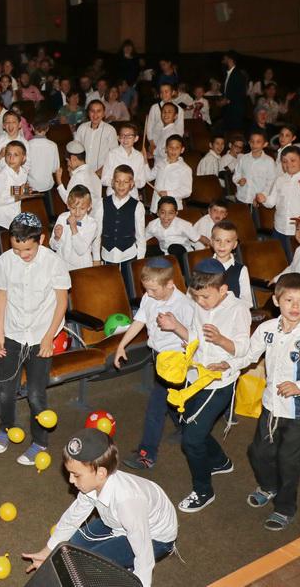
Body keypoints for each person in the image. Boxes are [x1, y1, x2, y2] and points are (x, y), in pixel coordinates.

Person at [215, 273, 300, 530]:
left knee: (289, 462)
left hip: (299, 414)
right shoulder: (266, 329)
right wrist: (228, 364)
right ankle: (268, 486)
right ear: (277, 301)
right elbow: (249, 355)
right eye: (289, 300)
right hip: (271, 407)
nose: (295, 306)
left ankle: (285, 508)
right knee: (258, 452)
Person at [22, 429, 177, 587]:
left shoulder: (127, 502)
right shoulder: (92, 485)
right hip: (117, 521)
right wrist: (48, 550)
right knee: (73, 548)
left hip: (155, 537)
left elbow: (144, 556)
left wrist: (139, 583)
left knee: (90, 565)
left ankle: (124, 572)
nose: (71, 480)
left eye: (76, 475)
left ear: (101, 473)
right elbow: (73, 518)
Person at [157, 259, 251, 512]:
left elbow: (244, 348)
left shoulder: (238, 310)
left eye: (205, 297)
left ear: (223, 290)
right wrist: (176, 327)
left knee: (191, 440)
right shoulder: (201, 303)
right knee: (185, 421)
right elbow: (196, 338)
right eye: (196, 296)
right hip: (194, 378)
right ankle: (220, 461)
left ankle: (203, 491)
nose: (200, 302)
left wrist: (221, 340)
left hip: (218, 382)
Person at [0, 212, 70, 465]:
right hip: (13, 333)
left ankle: (40, 442)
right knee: (6, 391)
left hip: (40, 336)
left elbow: (62, 302)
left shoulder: (53, 262)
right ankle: (5, 429)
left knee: (35, 394)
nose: (22, 254)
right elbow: (2, 296)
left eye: (27, 250)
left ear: (41, 240)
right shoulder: (6, 260)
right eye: (16, 249)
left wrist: (48, 337)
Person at [115, 258, 194, 470]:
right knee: (174, 400)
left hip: (176, 360)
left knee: (155, 407)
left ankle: (147, 454)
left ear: (170, 284)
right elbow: (139, 321)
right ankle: (187, 428)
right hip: (158, 357)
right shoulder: (149, 298)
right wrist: (122, 344)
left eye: (153, 290)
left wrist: (178, 330)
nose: (148, 294)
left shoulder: (183, 304)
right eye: (146, 289)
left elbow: (193, 337)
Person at [255, 146, 300, 251]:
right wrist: (264, 199)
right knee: (278, 256)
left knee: (295, 258)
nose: (288, 164)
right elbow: (271, 203)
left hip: (299, 232)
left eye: (293, 160)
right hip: (279, 228)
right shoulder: (280, 180)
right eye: (284, 161)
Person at [100, 165, 146, 274]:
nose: (121, 185)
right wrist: (96, 258)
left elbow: (141, 236)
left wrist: (139, 260)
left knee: (128, 283)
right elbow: (97, 233)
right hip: (107, 255)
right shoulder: (102, 203)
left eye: (125, 182)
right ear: (112, 183)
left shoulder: (137, 206)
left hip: (128, 255)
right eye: (117, 181)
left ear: (132, 184)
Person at [0, 141, 33, 238]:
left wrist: (26, 191)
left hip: (15, 218)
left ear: (23, 158)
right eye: (8, 154)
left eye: (16, 155)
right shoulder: (0, 177)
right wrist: (18, 196)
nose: (11, 158)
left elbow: (13, 191)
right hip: (0, 220)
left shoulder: (23, 173)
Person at [49, 186, 99, 270]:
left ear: (89, 206)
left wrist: (73, 227)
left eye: (82, 209)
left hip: (81, 267)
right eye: (73, 208)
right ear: (68, 205)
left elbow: (80, 250)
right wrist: (57, 237)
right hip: (62, 265)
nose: (77, 212)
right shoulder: (62, 218)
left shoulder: (92, 224)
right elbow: (53, 246)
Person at [56, 140, 103, 222]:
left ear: (73, 158)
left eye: (68, 161)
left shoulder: (78, 176)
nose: (68, 164)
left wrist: (59, 181)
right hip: (97, 217)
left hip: (85, 219)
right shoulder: (93, 174)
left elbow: (69, 201)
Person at [147, 135, 192, 213]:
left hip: (173, 209)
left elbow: (187, 191)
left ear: (182, 150)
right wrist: (144, 161)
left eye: (177, 148)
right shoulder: (160, 163)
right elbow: (148, 177)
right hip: (156, 206)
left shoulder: (185, 169)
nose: (173, 150)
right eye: (171, 147)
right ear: (166, 149)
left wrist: (168, 193)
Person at [147, 196, 200, 262]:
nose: (166, 216)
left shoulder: (183, 224)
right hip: (166, 253)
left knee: (174, 248)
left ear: (176, 213)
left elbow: (199, 237)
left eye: (170, 213)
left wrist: (209, 246)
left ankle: (184, 267)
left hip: (184, 254)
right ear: (157, 212)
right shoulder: (152, 225)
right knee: (148, 250)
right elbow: (141, 238)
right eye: (163, 212)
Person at [102, 123, 148, 197]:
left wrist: (133, 183)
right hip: (113, 195)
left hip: (132, 196)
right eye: (122, 136)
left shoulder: (139, 156)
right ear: (118, 138)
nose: (125, 139)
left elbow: (142, 182)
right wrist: (117, 183)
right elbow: (104, 179)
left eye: (129, 136)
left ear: (136, 138)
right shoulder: (112, 154)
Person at [74, 100, 117, 177]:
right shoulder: (82, 128)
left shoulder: (110, 130)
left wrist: (99, 173)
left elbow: (114, 155)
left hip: (102, 173)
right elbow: (75, 151)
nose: (95, 114)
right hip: (82, 172)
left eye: (98, 111)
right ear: (88, 113)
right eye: (92, 111)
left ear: (103, 114)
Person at [232, 132, 276, 205]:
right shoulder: (243, 158)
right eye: (252, 141)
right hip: (241, 198)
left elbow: (271, 181)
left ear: (265, 144)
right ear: (249, 142)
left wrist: (263, 195)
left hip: (256, 201)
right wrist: (239, 180)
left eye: (258, 142)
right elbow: (237, 174)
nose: (254, 144)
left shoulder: (269, 161)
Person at [0, 111, 29, 176]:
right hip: (0, 177)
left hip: (17, 178)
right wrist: (0, 155)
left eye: (14, 122)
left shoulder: (24, 143)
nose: (10, 125)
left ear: (19, 125)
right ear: (3, 125)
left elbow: (27, 165)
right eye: (7, 122)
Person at [218, 51, 248, 132]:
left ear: (230, 59)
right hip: (228, 109)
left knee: (234, 133)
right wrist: (221, 100)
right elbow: (227, 91)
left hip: (235, 110)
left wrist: (227, 101)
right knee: (226, 132)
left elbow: (240, 93)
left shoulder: (238, 75)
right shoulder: (227, 74)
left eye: (225, 59)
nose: (223, 61)